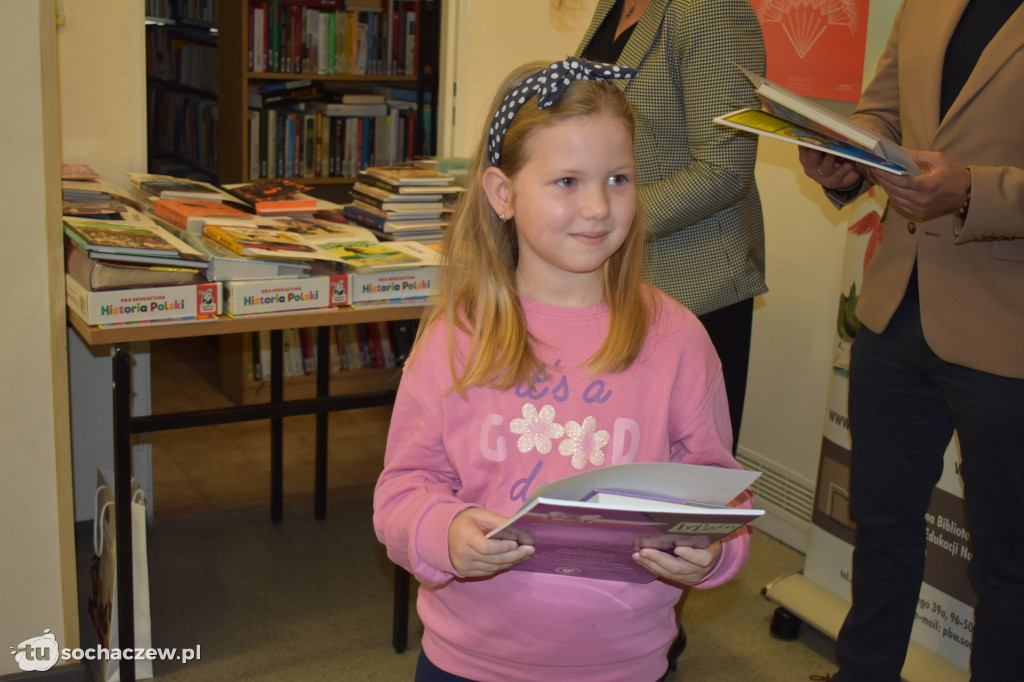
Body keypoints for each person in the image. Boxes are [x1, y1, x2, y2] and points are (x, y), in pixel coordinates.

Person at [373, 58, 754, 682]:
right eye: (568, 181)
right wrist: (443, 532)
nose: (599, 206)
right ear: (503, 194)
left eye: (620, 178)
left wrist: (713, 553)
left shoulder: (678, 338)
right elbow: (403, 487)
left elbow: (718, 489)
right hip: (468, 660)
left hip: (624, 662)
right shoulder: (455, 336)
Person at [799, 1, 1024, 680]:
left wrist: (973, 192)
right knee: (882, 529)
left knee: (1009, 567)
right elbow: (882, 112)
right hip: (895, 311)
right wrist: (849, 153)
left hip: (1007, 328)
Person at [575, 0, 767, 453]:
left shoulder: (709, 8)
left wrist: (604, 222)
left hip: (694, 287)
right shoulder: (614, 6)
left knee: (682, 485)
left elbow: (724, 170)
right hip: (620, 282)